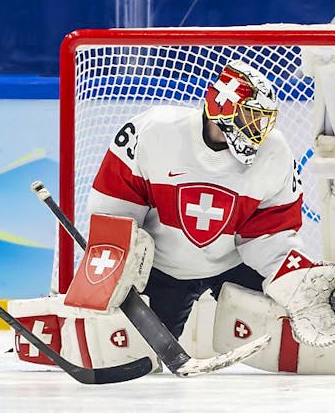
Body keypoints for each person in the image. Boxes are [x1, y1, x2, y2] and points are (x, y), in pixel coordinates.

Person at [85, 60, 305, 337]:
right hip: (163, 269)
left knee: (289, 332)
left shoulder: (275, 151)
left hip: (235, 263)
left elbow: (272, 233)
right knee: (137, 353)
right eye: (250, 117)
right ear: (222, 107)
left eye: (262, 120)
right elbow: (114, 210)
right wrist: (115, 267)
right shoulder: (154, 130)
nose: (258, 130)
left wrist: (295, 281)